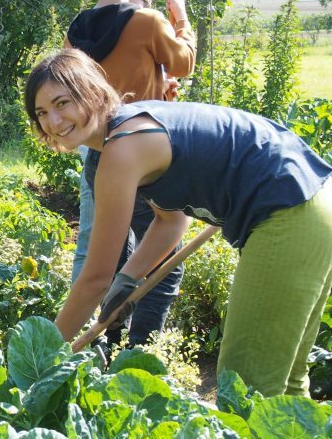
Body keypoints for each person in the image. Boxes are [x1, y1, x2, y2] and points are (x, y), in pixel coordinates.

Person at [25, 48, 332, 397]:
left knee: (247, 390)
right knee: (286, 387)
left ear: (91, 91)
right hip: (314, 201)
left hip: (290, 208)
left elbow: (94, 278)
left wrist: (43, 359)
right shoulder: (126, 130)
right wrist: (127, 280)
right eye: (42, 113)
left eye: (62, 103)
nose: (53, 121)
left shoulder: (122, 150)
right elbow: (171, 221)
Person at [65, 0, 196, 346]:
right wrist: (182, 18)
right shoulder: (147, 21)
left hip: (100, 155)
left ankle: (102, 342)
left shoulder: (75, 31)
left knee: (111, 253)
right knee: (162, 257)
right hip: (147, 154)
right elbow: (185, 62)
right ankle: (139, 350)